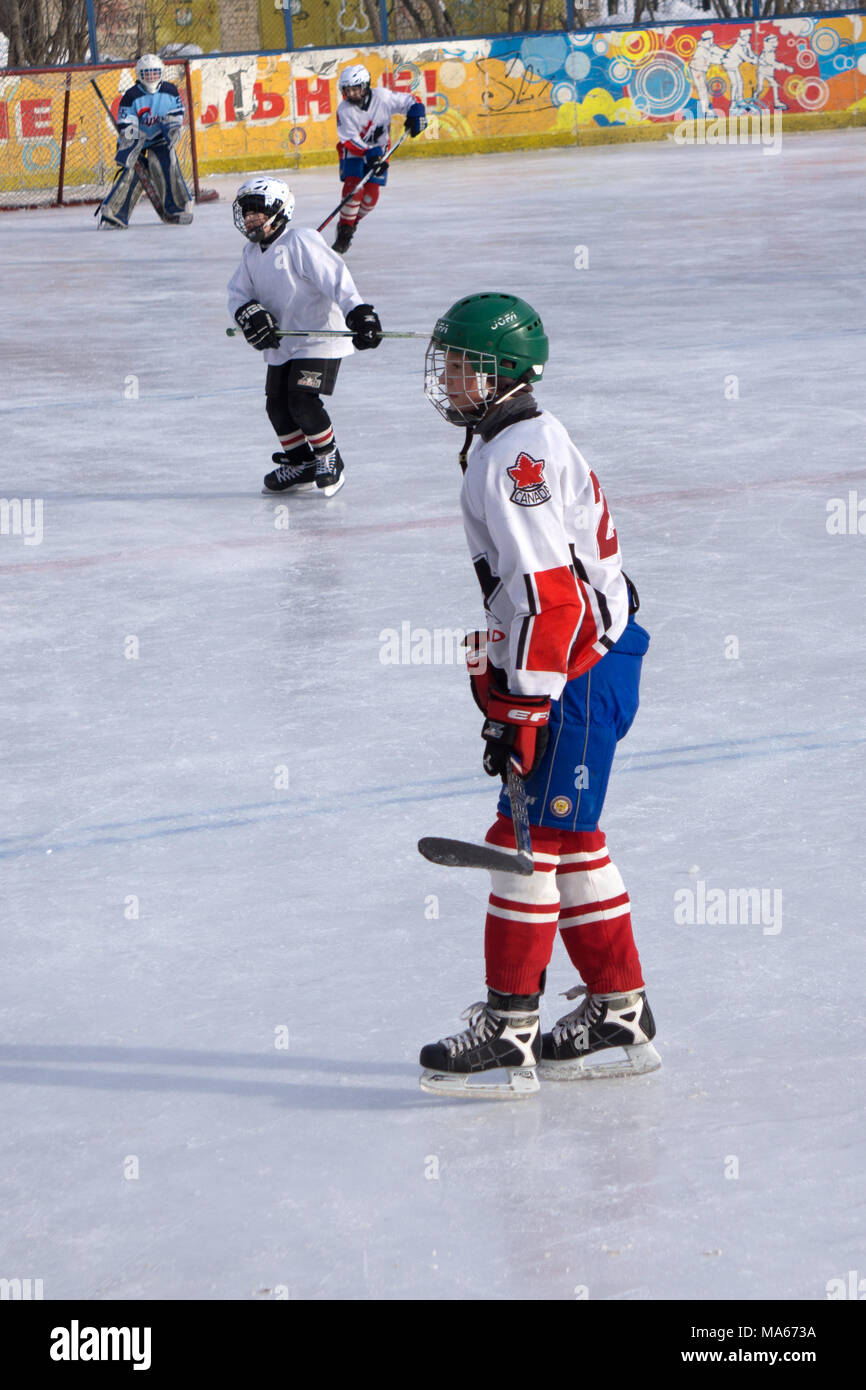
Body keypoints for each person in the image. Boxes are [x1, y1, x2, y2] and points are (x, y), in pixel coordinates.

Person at [418, 293, 659, 1097]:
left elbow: (553, 597)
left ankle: (510, 1032)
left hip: (579, 673)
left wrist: (523, 707)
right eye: (447, 361)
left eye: (465, 366)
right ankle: (620, 1012)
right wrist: (500, 661)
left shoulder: (514, 456)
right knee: (572, 839)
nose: (449, 377)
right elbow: (530, 593)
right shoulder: (514, 439)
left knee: (521, 845)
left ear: (505, 376)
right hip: (589, 664)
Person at [227, 176, 383, 497]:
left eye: (257, 211)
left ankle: (329, 458)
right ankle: (302, 463)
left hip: (319, 336)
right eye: (246, 212)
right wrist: (246, 312)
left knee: (301, 400)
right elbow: (237, 293)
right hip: (283, 341)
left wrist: (358, 312)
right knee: (277, 406)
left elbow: (336, 277)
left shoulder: (301, 241)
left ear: (279, 211)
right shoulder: (251, 253)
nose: (250, 218)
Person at [331, 64, 427, 255]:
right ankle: (344, 231)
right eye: (347, 90)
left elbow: (409, 101)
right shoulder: (344, 110)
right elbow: (349, 139)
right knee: (354, 188)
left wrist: (417, 112)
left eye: (355, 89)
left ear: (366, 86)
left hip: (380, 151)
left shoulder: (382, 97)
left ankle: (352, 222)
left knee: (370, 199)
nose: (352, 94)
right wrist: (367, 153)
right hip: (354, 153)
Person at [98, 54, 191, 228]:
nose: (151, 77)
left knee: (167, 164)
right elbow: (126, 123)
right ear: (139, 75)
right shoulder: (131, 95)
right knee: (132, 174)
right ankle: (116, 212)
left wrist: (171, 128)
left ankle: (177, 208)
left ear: (161, 73)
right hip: (134, 141)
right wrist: (133, 142)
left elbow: (177, 115)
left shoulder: (170, 90)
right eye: (147, 73)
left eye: (155, 73)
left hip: (158, 138)